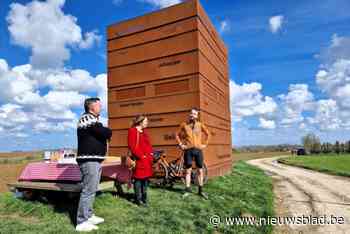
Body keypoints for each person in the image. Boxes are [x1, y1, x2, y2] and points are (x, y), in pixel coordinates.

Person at [75, 98, 112, 232]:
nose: (101, 106)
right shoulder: (86, 119)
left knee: (92, 189)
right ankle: (81, 221)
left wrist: (103, 130)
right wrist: (105, 131)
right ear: (91, 107)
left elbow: (102, 131)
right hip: (88, 160)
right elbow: (105, 132)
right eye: (98, 105)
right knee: (88, 190)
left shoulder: (94, 120)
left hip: (95, 160)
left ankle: (88, 215)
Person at [175, 108, 210, 199]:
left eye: (194, 114)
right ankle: (187, 190)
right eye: (191, 113)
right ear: (189, 115)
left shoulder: (200, 125)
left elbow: (208, 134)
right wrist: (180, 144)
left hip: (198, 150)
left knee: (200, 171)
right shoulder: (184, 124)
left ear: (197, 115)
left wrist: (205, 144)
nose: (192, 115)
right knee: (188, 171)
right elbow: (176, 134)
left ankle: (200, 191)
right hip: (188, 150)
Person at [128, 115, 154, 207]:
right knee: (138, 180)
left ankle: (144, 198)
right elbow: (132, 146)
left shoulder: (144, 132)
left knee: (145, 180)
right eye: (146, 121)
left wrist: (150, 155)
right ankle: (138, 200)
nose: (147, 123)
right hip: (139, 160)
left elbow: (149, 145)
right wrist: (141, 156)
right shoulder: (132, 131)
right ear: (140, 122)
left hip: (147, 160)